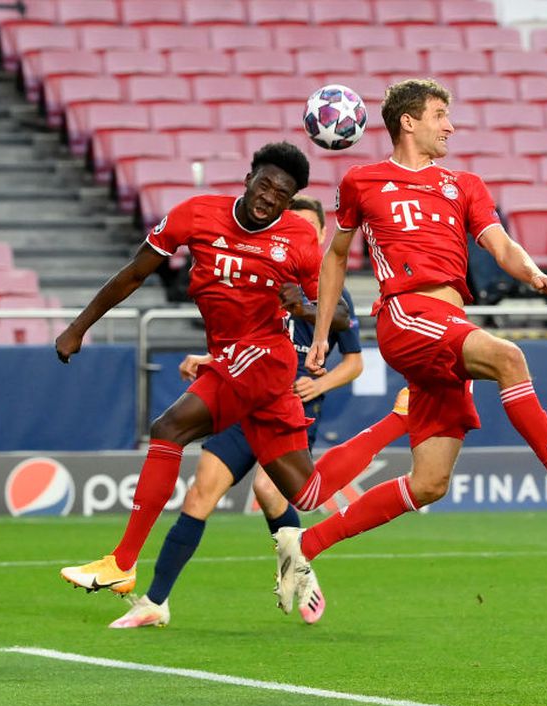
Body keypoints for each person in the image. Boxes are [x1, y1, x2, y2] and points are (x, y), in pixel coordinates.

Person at [269, 78, 547, 612]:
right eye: (439, 114)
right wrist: (321, 334)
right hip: (406, 314)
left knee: (430, 482)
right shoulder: (362, 181)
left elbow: (500, 243)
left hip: (447, 323)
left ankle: (306, 542)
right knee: (509, 356)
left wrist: (533, 273)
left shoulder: (466, 184)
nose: (450, 125)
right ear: (408, 122)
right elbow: (336, 257)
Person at [56, 143, 395, 599]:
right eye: (266, 184)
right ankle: (401, 419)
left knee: (169, 427)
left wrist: (308, 308)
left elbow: (341, 319)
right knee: (307, 493)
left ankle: (122, 563)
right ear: (248, 178)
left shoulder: (298, 239)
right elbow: (135, 273)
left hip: (264, 360)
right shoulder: (196, 214)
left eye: (282, 192)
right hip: (236, 362)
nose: (269, 197)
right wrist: (78, 327)